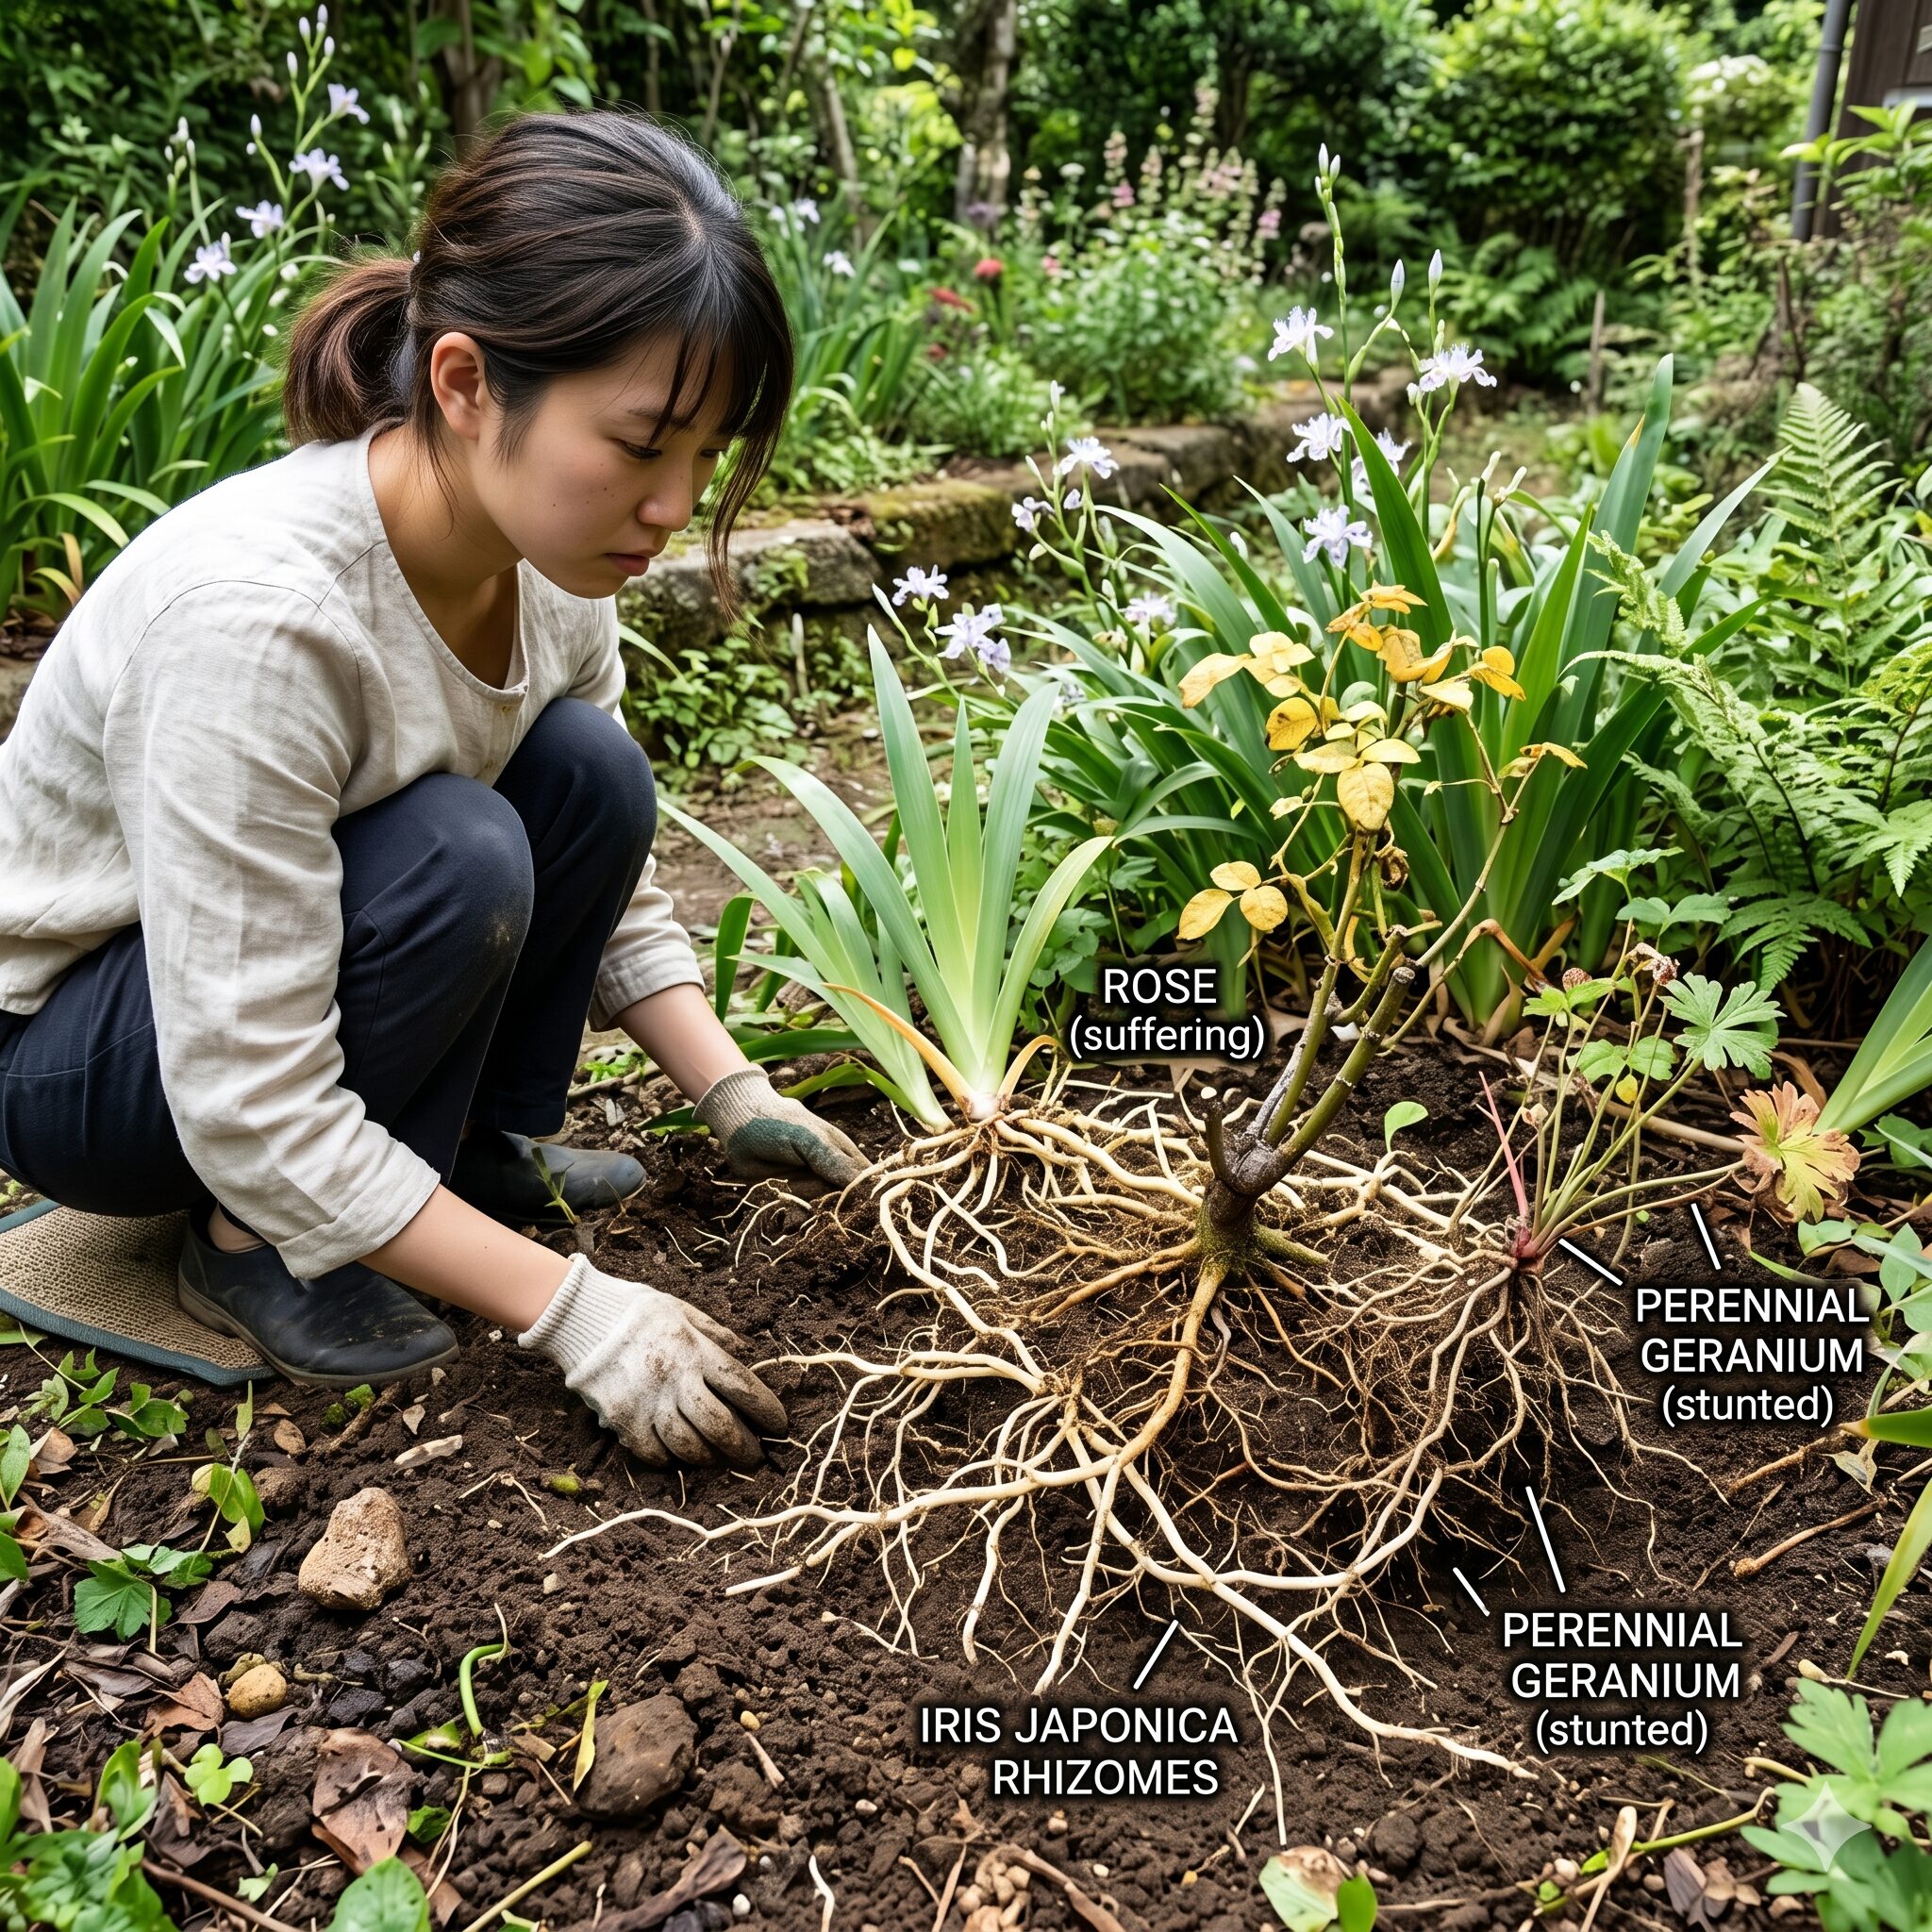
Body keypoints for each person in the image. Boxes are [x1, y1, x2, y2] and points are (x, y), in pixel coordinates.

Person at [0, 111, 866, 1472]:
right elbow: (249, 1098)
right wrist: (578, 1315)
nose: (674, 505)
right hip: (87, 1051)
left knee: (584, 771)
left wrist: (733, 1091)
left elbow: (613, 863)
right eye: (643, 444)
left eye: (706, 457)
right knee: (461, 851)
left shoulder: (549, 561)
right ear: (465, 383)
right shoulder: (262, 621)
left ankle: (470, 1156)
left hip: (241, 990)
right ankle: (252, 1246)